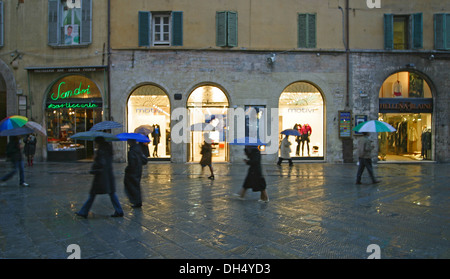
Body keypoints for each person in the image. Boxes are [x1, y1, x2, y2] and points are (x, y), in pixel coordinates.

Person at [76, 136, 123, 218]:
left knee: (93, 194)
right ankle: (119, 210)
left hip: (101, 176)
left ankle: (83, 211)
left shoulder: (101, 151)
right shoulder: (107, 149)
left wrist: (95, 166)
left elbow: (101, 163)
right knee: (111, 193)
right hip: (107, 175)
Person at [124, 139, 148, 208]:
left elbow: (131, 163)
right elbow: (144, 160)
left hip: (132, 171)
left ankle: (136, 201)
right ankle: (138, 201)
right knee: (136, 185)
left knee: (132, 186)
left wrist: (128, 169)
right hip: (138, 170)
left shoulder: (131, 151)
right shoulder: (139, 149)